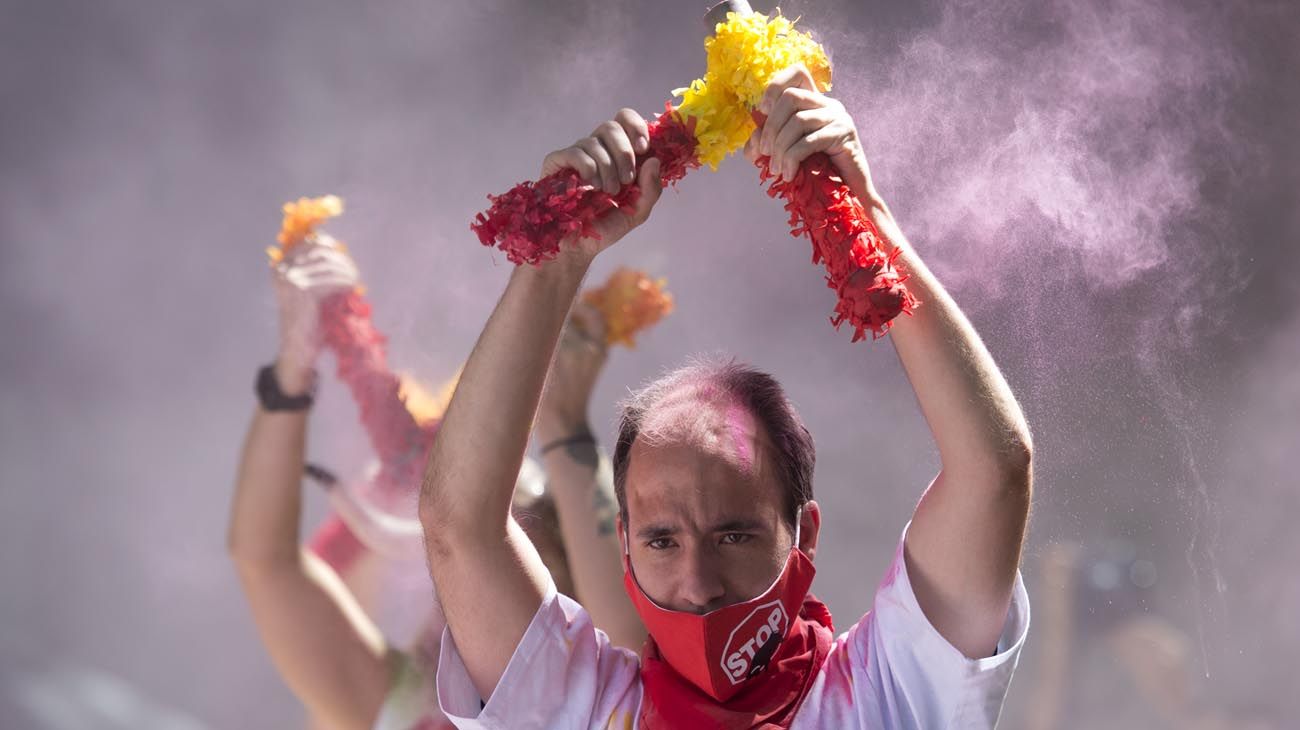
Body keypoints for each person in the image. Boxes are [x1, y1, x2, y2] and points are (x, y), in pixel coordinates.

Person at [419, 64, 1034, 729]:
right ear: (622, 543)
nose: (699, 584)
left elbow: (992, 472)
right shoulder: (588, 710)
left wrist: (864, 220)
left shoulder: (885, 693)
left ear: (805, 534)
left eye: (734, 534)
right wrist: (554, 264)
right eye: (661, 541)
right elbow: (461, 526)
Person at [227, 237, 645, 730]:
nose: (466, 576)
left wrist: (564, 425)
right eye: (457, 559)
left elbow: (630, 645)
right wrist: (293, 365)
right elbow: (266, 559)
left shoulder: (606, 708)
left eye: (508, 559)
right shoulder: (405, 708)